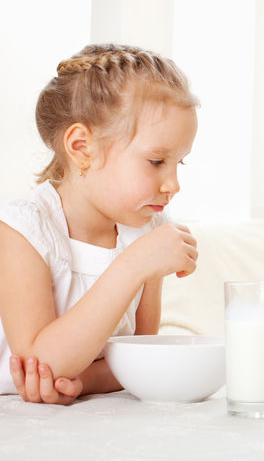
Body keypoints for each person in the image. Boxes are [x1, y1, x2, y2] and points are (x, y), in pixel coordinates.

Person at [0, 44, 200, 404]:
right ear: (82, 148)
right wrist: (134, 265)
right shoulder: (24, 229)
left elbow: (136, 356)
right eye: (156, 161)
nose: (173, 185)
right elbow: (38, 365)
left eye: (179, 164)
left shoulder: (147, 228)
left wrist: (82, 383)